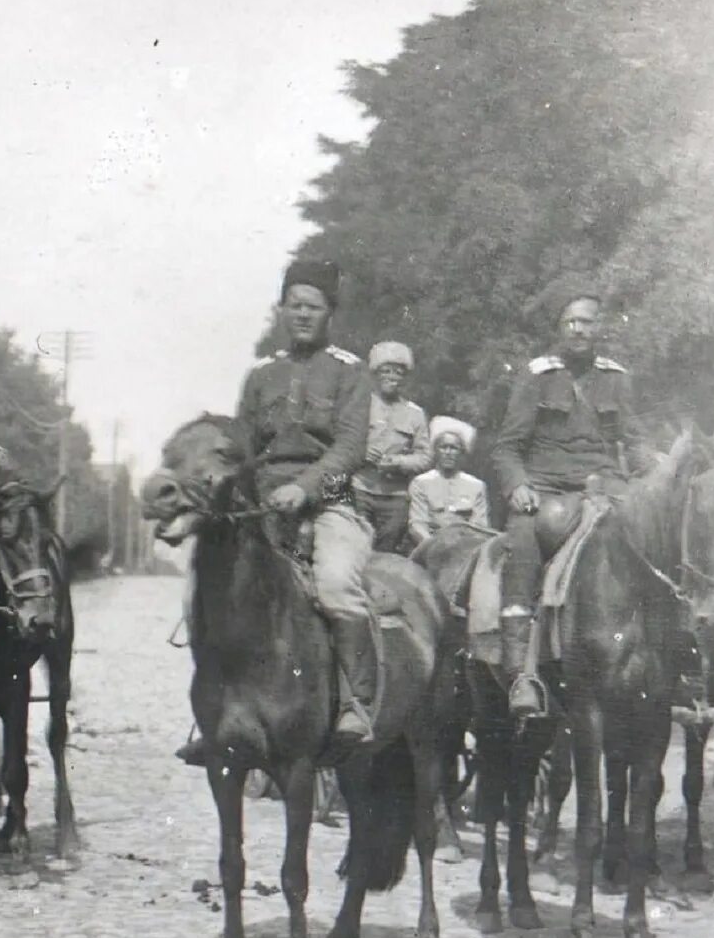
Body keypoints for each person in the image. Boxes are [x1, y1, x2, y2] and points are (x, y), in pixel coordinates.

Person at [176, 259, 377, 766]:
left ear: (330, 312)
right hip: (260, 507)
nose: (303, 314)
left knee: (335, 587)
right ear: (282, 310)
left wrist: (306, 488)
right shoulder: (262, 375)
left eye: (314, 306)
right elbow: (242, 444)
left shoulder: (351, 372)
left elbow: (351, 449)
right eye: (295, 305)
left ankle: (357, 701)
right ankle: (212, 713)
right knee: (205, 592)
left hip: (330, 503)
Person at [491, 293, 653, 718]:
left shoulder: (616, 378)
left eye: (587, 322)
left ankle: (676, 662)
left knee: (657, 541)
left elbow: (634, 441)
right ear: (559, 328)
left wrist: (652, 471)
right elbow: (507, 447)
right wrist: (518, 487)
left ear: (599, 328)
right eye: (570, 322)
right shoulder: (537, 376)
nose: (579, 330)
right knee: (522, 540)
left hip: (606, 488)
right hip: (546, 489)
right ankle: (520, 670)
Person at [352, 341, 432, 553]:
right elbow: (341, 442)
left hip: (395, 498)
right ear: (375, 374)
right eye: (386, 371)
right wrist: (363, 452)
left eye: (398, 373)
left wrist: (399, 462)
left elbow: (425, 456)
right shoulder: (359, 405)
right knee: (355, 549)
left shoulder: (415, 414)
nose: (392, 377)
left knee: (387, 554)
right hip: (360, 490)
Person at [408, 416, 489, 545]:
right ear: (435, 451)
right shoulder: (421, 483)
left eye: (454, 448)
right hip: (429, 548)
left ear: (462, 452)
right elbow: (417, 525)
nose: (448, 452)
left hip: (464, 549)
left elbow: (479, 527)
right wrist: (434, 548)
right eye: (443, 447)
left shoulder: (476, 486)